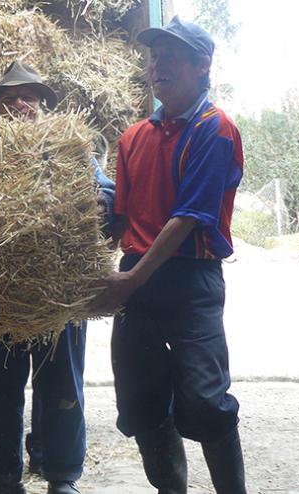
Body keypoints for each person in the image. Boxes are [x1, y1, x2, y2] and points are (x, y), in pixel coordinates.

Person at [92, 17, 247, 494]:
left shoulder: (214, 129)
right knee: (141, 402)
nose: (158, 66)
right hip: (137, 278)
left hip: (190, 278)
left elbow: (188, 218)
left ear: (203, 66)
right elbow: (122, 217)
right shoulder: (132, 138)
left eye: (172, 57)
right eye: (155, 57)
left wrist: (130, 280)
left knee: (205, 400)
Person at [0, 61, 114, 494]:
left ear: (42, 104)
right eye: (8, 98)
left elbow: (104, 185)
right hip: (1, 288)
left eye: (27, 97)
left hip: (60, 288)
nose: (19, 104)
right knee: (0, 380)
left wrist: (103, 201)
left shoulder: (68, 145)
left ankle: (61, 471)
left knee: (62, 380)